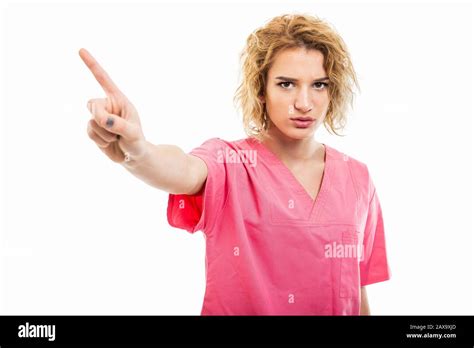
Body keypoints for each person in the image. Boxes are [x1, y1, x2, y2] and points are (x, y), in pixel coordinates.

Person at [79, 13, 390, 316]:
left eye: (319, 85)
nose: (304, 103)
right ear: (261, 89)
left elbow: (357, 290)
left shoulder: (357, 177)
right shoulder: (230, 164)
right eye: (286, 84)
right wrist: (140, 151)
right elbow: (183, 170)